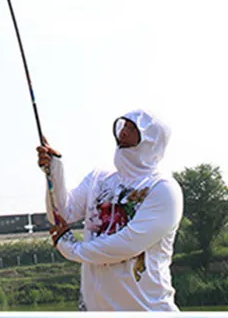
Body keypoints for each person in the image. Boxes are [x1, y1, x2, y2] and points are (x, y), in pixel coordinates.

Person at [37, 109, 184, 311]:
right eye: (124, 126)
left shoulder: (163, 189)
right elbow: (61, 215)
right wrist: (54, 169)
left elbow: (126, 244)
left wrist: (72, 248)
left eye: (133, 129)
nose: (123, 133)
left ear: (151, 141)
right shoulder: (98, 179)